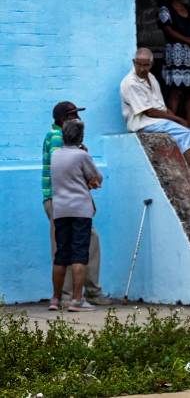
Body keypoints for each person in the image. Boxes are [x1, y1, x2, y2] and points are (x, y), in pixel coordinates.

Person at [42, 102, 111, 307]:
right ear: (63, 119)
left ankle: (79, 293)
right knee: (69, 248)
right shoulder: (58, 138)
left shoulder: (59, 138)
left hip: (62, 199)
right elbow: (69, 172)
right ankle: (71, 296)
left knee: (73, 245)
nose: (77, 119)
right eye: (73, 115)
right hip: (61, 199)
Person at [120, 48, 190, 180]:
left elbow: (161, 107)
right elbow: (149, 111)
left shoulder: (151, 77)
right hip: (143, 123)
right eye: (139, 64)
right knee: (186, 136)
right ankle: (188, 182)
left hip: (157, 121)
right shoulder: (130, 82)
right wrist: (177, 119)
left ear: (151, 64)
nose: (142, 69)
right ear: (133, 62)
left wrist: (176, 120)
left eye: (145, 65)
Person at [49, 119, 102, 312]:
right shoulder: (81, 156)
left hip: (60, 209)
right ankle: (77, 300)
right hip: (80, 210)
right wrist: (86, 154)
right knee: (79, 254)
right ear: (80, 137)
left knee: (61, 255)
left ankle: (55, 299)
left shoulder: (55, 155)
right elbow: (97, 177)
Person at [158, 0, 190, 128]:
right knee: (175, 91)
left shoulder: (188, 8)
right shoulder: (165, 9)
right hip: (175, 56)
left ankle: (189, 127)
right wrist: (187, 40)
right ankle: (173, 128)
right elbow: (168, 30)